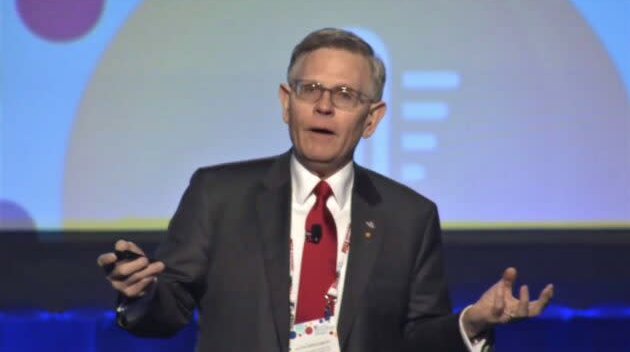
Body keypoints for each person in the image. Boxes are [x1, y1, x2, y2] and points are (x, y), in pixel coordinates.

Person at [97, 28, 553, 352]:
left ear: (371, 119)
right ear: (285, 102)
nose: (324, 106)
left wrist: (469, 323)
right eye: (310, 88)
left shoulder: (409, 216)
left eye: (345, 95)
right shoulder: (219, 194)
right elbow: (168, 312)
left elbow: (415, 337)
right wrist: (141, 294)